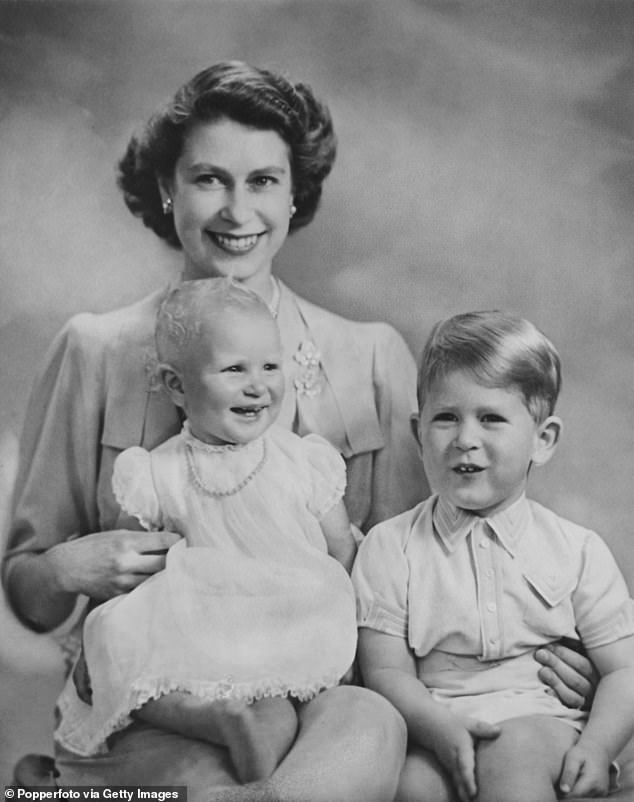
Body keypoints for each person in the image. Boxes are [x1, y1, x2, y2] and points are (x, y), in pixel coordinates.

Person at [2, 61, 597, 799]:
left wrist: (539, 651)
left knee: (370, 728)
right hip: (159, 706)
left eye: (263, 182)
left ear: (294, 197)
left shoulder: (370, 355)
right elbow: (30, 591)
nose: (235, 210)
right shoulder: (96, 349)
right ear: (166, 187)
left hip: (320, 697)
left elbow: (430, 564)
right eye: (208, 178)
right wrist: (66, 568)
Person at [54, 278, 359, 782]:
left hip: (280, 626)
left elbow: (342, 547)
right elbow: (128, 564)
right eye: (235, 368)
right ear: (176, 385)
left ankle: (253, 775)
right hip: (191, 626)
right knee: (137, 685)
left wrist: (343, 631)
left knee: (274, 709)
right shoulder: (157, 471)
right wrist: (97, 638)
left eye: (269, 366)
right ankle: (216, 720)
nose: (258, 384)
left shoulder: (302, 461)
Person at [353, 310, 634, 802]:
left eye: (491, 419)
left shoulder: (577, 550)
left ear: (541, 441)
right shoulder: (390, 547)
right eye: (446, 418)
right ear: (419, 433)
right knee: (409, 787)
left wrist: (597, 744)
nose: (465, 439)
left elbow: (624, 670)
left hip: (540, 721)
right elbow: (386, 671)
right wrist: (439, 728)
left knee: (515, 757)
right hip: (435, 718)